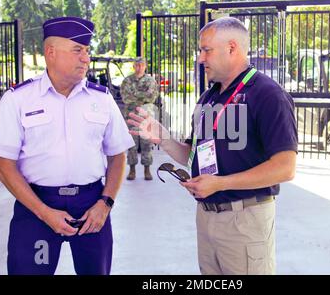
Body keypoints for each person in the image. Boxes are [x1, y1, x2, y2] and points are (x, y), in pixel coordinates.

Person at [127, 17, 298, 275]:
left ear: (232, 48)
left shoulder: (267, 94)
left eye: (206, 50)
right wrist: (164, 138)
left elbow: (285, 168)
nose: (200, 58)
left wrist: (220, 183)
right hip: (206, 217)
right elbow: (192, 155)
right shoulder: (209, 97)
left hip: (245, 220)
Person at [0, 16, 135, 275]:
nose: (85, 58)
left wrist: (105, 203)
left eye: (86, 51)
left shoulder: (102, 98)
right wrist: (43, 212)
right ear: (50, 53)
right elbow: (4, 167)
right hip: (36, 206)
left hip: (92, 207)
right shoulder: (19, 99)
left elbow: (118, 155)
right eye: (77, 50)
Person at [120, 57, 159, 181]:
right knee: (132, 144)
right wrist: (143, 96)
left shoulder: (150, 80)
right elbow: (126, 98)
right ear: (133, 66)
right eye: (137, 65)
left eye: (141, 65)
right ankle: (132, 170)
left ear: (145, 66)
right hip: (131, 117)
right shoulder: (127, 81)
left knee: (147, 143)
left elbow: (151, 97)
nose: (139, 67)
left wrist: (135, 94)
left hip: (146, 117)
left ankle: (147, 170)